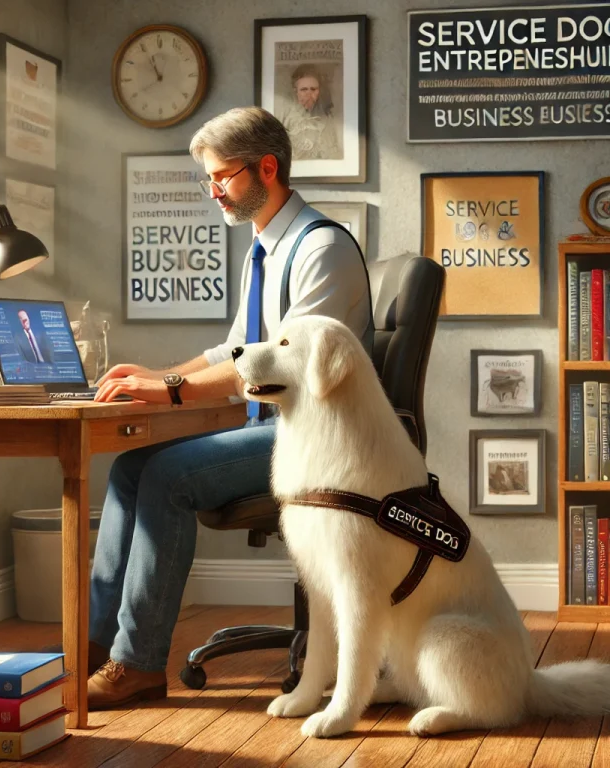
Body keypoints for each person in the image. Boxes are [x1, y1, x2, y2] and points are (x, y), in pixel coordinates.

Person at [84, 106, 372, 710]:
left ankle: (136, 665)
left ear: (267, 167)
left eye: (222, 176)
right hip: (277, 430)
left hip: (315, 437)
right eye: (207, 178)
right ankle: (97, 645)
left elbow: (281, 365)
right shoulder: (263, 248)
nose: (213, 190)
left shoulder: (320, 247)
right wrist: (160, 374)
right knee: (130, 467)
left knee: (165, 475)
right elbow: (236, 349)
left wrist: (169, 393)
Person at [277, 64, 342, 161]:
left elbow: (334, 155)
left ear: (319, 90)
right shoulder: (285, 119)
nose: (309, 94)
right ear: (296, 91)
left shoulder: (327, 120)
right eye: (304, 90)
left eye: (313, 89)